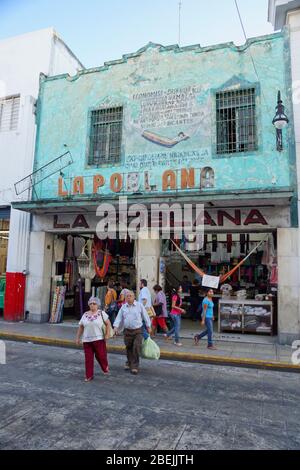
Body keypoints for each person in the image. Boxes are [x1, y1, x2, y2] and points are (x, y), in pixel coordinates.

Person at [113, 291, 151, 375]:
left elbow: (145, 316)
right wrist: (115, 327)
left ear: (134, 297)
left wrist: (148, 326)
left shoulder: (139, 306)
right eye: (127, 296)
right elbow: (119, 318)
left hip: (138, 331)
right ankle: (129, 362)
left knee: (136, 347)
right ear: (125, 298)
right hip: (127, 331)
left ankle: (134, 366)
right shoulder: (123, 307)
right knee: (129, 347)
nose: (128, 297)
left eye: (130, 296)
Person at [76, 297, 110, 382]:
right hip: (87, 340)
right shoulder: (85, 314)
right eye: (90, 303)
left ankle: (104, 366)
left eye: (94, 303)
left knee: (101, 356)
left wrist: (107, 334)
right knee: (88, 359)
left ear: (98, 305)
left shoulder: (101, 313)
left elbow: (108, 324)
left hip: (99, 339)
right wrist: (77, 338)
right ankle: (89, 375)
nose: (92, 305)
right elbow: (81, 327)